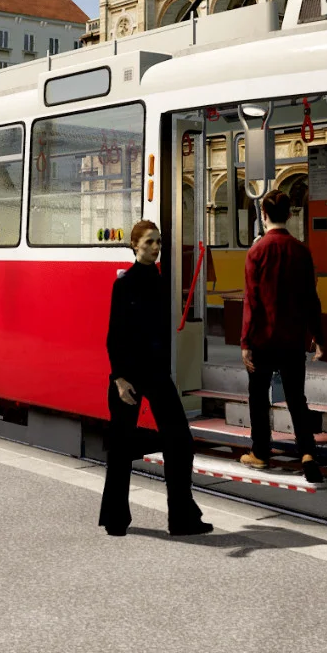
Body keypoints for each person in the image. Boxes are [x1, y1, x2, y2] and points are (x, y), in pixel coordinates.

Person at [99, 221, 210, 538]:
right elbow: (114, 335)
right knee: (120, 451)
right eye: (149, 242)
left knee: (180, 441)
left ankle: (182, 519)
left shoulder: (162, 283)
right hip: (127, 376)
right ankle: (115, 519)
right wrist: (119, 379)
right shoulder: (123, 285)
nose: (156, 247)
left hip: (156, 373)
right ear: (135, 246)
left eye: (159, 242)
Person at [240, 190, 324, 483]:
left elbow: (251, 301)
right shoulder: (302, 251)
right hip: (292, 339)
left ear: (263, 215)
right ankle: (308, 453)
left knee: (258, 397)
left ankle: (261, 453)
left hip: (263, 339)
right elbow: (312, 300)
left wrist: (245, 343)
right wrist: (319, 339)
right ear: (290, 215)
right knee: (296, 398)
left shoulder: (256, 252)